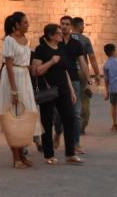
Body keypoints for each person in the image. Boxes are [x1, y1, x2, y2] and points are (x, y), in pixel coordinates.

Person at [0, 12, 41, 169]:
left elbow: (25, 62)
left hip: (24, 77)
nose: (27, 25)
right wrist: (14, 90)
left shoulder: (26, 41)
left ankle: (22, 154)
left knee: (26, 115)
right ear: (16, 24)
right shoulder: (9, 40)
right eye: (25, 23)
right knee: (13, 117)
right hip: (12, 78)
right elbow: (8, 64)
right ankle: (15, 157)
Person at [32, 24, 81, 165]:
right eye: (58, 33)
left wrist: (71, 90)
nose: (61, 35)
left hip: (63, 89)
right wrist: (51, 62)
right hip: (48, 90)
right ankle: (49, 155)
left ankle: (70, 153)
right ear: (51, 35)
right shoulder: (40, 49)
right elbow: (36, 71)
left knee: (69, 117)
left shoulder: (61, 48)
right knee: (47, 121)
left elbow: (65, 71)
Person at [56, 15, 90, 153]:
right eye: (62, 24)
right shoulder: (55, 42)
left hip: (74, 80)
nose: (64, 26)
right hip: (59, 81)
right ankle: (57, 133)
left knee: (76, 113)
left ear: (71, 27)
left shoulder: (76, 44)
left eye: (66, 24)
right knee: (58, 114)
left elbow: (83, 63)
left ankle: (76, 143)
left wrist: (88, 81)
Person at [70, 16, 100, 133]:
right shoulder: (85, 40)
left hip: (68, 73)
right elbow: (92, 58)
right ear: (79, 25)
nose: (83, 27)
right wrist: (97, 74)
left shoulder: (65, 38)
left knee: (70, 98)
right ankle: (82, 125)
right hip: (83, 73)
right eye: (83, 25)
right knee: (84, 100)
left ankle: (70, 124)